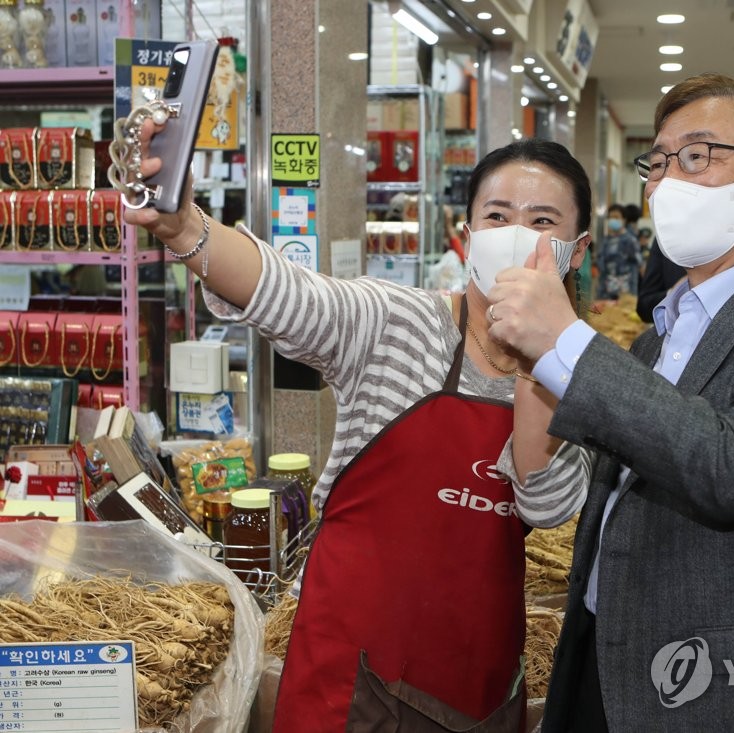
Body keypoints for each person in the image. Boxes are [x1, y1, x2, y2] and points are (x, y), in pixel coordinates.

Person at [121, 132, 593, 731]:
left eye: (542, 220)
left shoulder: (579, 372)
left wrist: (541, 357)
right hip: (347, 676)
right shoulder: (396, 323)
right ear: (469, 237)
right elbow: (287, 293)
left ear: (574, 251)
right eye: (497, 216)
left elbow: (548, 505)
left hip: (475, 680)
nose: (516, 235)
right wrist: (185, 227)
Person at [486, 73, 734, 731]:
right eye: (659, 162)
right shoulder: (651, 342)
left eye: (697, 155)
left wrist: (568, 340)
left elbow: (732, 465)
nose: (667, 182)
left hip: (721, 689)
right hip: (603, 665)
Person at [596, 203, 643, 299]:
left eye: (616, 217)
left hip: (625, 293)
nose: (613, 220)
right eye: (611, 217)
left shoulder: (630, 241)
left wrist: (633, 295)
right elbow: (602, 267)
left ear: (624, 220)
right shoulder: (606, 241)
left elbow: (638, 266)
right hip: (606, 293)